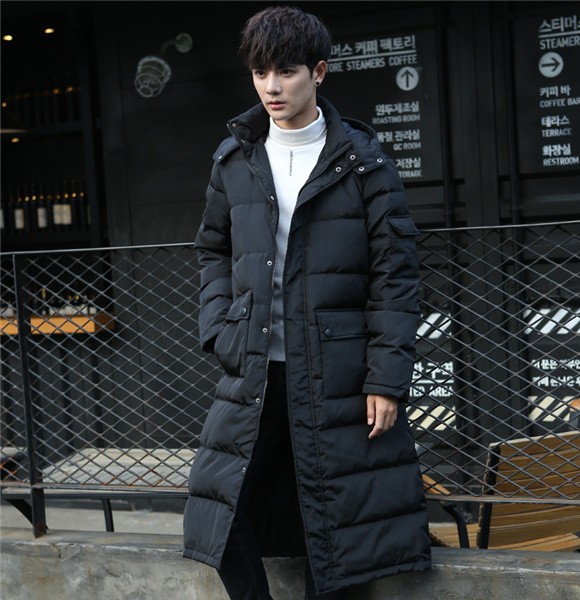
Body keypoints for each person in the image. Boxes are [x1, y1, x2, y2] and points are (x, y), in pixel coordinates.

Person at [182, 5, 431, 599]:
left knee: (338, 526)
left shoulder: (366, 164)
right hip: (255, 370)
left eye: (286, 72)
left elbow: (395, 277)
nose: (272, 87)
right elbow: (212, 249)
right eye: (260, 73)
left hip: (340, 376)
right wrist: (220, 325)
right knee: (216, 511)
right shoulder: (234, 160)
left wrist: (386, 379)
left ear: (318, 72)